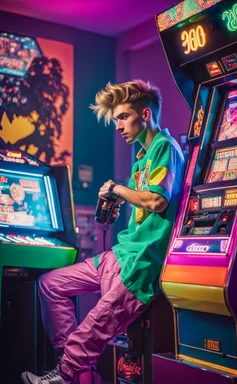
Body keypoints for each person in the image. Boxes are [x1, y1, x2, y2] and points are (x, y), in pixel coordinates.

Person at [21, 79, 185, 384]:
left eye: (123, 116)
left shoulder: (165, 146)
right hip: (121, 253)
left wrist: (119, 189)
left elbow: (157, 200)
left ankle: (65, 374)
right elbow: (144, 203)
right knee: (50, 284)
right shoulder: (140, 159)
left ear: (145, 115)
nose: (118, 125)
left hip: (141, 265)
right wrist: (122, 197)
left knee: (97, 320)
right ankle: (73, 367)